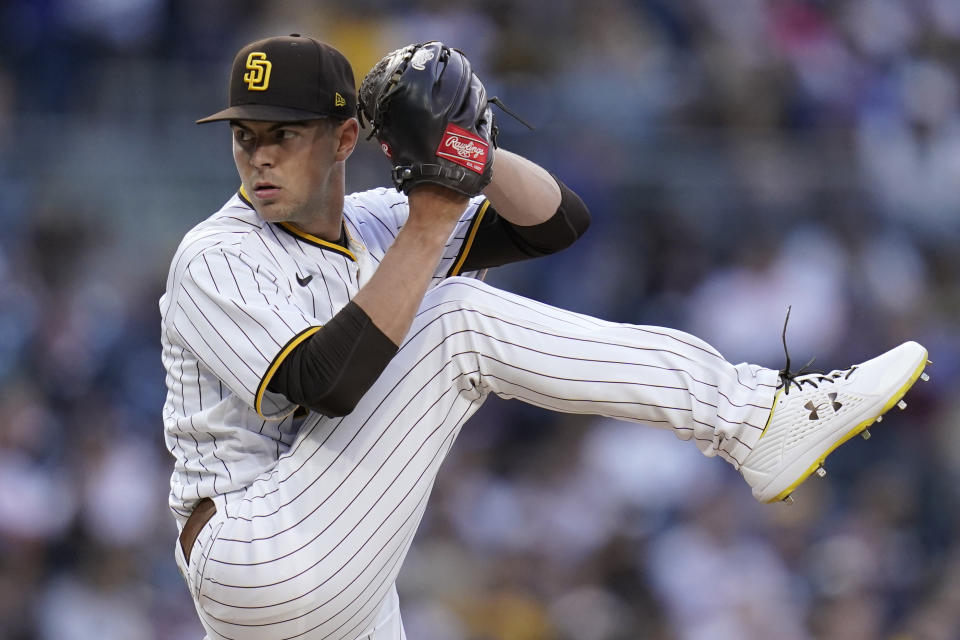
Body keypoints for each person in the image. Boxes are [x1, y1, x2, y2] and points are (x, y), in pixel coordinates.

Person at [161, 34, 929, 640]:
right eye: (245, 135)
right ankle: (753, 417)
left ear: (344, 138)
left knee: (448, 302)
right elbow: (328, 383)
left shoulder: (371, 222)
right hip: (253, 551)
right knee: (457, 318)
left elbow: (556, 222)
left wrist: (468, 155)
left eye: (283, 134)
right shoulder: (218, 253)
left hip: (338, 559)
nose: (257, 154)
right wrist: (432, 216)